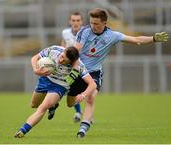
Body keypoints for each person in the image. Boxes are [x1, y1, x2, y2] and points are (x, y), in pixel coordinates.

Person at [67, 8, 169, 138]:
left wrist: (153, 38)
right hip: (78, 69)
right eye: (91, 23)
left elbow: (136, 39)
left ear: (105, 23)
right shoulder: (85, 31)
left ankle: (83, 127)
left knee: (91, 97)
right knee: (69, 102)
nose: (93, 26)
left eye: (96, 23)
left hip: (94, 73)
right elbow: (75, 50)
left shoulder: (113, 36)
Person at [14, 45, 96, 138]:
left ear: (72, 62)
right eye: (62, 57)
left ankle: (22, 131)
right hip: (45, 79)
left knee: (42, 107)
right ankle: (53, 106)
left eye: (65, 61)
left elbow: (93, 84)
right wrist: (36, 70)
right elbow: (35, 58)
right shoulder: (54, 50)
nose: (61, 60)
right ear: (63, 51)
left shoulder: (79, 66)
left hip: (60, 86)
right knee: (34, 104)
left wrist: (83, 95)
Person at [61, 12, 84, 123]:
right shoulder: (65, 33)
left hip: (85, 66)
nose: (76, 23)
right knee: (71, 88)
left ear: (82, 21)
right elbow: (63, 46)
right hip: (71, 67)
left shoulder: (86, 33)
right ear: (70, 22)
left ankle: (87, 115)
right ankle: (79, 112)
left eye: (78, 20)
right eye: (73, 20)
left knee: (90, 90)